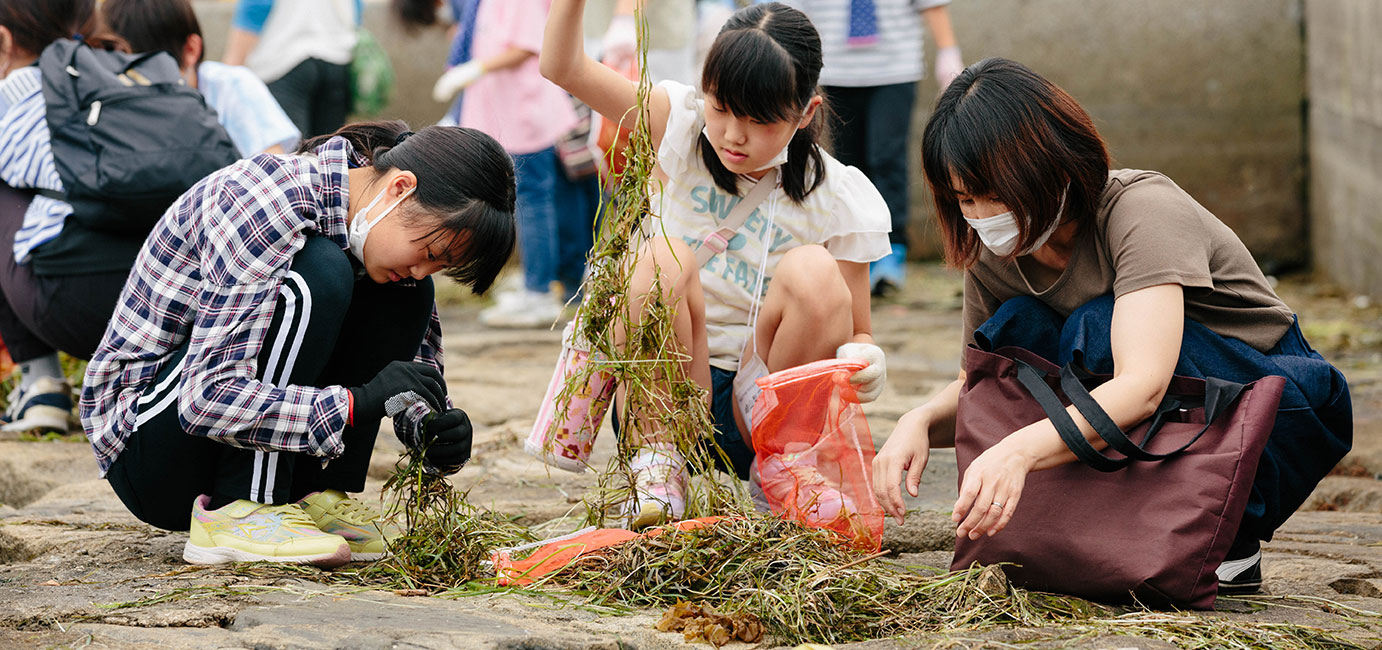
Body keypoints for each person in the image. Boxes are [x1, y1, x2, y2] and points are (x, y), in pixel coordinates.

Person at [872, 58, 1352, 594]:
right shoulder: (993, 251)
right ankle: (1112, 530)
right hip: (1137, 410)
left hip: (1268, 401)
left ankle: (1222, 532)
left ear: (1054, 167)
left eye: (997, 194)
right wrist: (917, 421)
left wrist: (1018, 451)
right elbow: (979, 383)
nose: (983, 214)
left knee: (1094, 329)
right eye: (965, 199)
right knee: (1020, 328)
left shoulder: (1142, 211)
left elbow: (1142, 386)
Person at [80, 121, 517, 566]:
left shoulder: (375, 230)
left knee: (404, 291)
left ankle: (312, 494)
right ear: (400, 188)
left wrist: (428, 429)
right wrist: (352, 405)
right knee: (320, 273)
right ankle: (242, 506)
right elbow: (204, 397)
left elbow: (405, 375)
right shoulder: (264, 202)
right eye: (429, 253)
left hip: (215, 436)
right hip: (150, 451)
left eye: (441, 266)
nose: (425, 270)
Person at [542, 1, 892, 528]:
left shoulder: (837, 195)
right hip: (669, 391)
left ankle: (787, 467)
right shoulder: (677, 124)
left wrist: (866, 359)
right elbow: (563, 68)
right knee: (661, 255)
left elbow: (858, 327)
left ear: (806, 113)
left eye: (759, 120)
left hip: (763, 407)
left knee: (814, 271)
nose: (732, 135)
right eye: (722, 108)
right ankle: (658, 469)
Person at [0, 0, 149, 434]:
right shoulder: (135, 72)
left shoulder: (14, 90)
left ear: (5, 41)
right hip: (174, 308)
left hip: (75, 309)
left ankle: (40, 383)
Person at [786, 0, 963, 296]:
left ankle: (892, 252)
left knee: (887, 158)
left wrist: (948, 50)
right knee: (846, 165)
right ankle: (854, 250)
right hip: (835, 69)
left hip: (894, 70)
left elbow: (931, 4)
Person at [429, 0, 581, 328]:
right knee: (528, 198)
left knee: (533, 199)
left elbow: (528, 45)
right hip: (506, 109)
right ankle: (535, 282)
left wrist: (478, 67)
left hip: (524, 111)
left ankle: (539, 292)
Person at [103, 0, 301, 156]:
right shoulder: (106, 99)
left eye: (149, 74)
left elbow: (273, 169)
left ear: (191, 50)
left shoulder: (231, 86)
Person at [223, 0, 358, 139]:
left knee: (290, 151)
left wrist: (232, 65)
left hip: (284, 63)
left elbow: (257, 7)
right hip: (337, 59)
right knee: (331, 149)